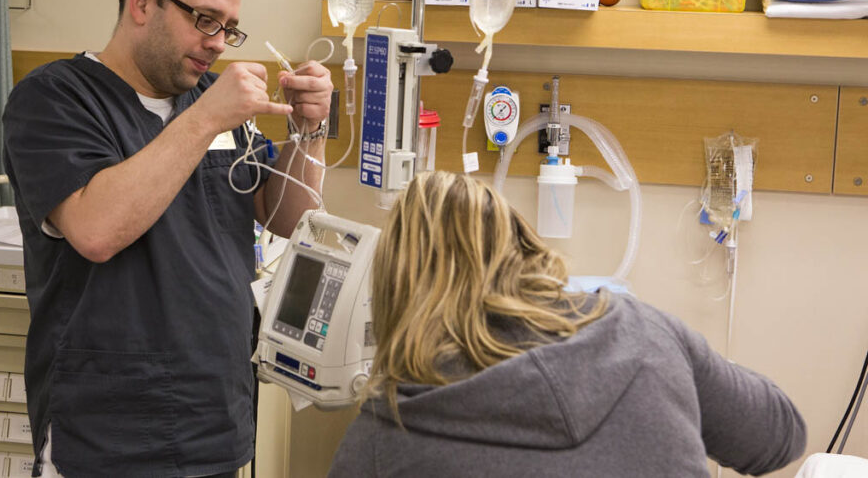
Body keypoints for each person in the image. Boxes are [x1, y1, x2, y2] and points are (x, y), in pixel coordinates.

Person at [3, 0, 333, 478]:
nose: (218, 42)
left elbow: (287, 215)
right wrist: (205, 121)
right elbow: (96, 230)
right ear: (142, 3)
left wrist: (309, 130)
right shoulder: (54, 97)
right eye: (204, 20)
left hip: (214, 417)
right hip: (108, 431)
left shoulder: (207, 98)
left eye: (229, 28)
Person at [328, 171, 807, 478]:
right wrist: (680, 373)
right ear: (523, 250)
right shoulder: (645, 335)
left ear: (394, 292)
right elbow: (780, 437)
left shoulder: (382, 439)